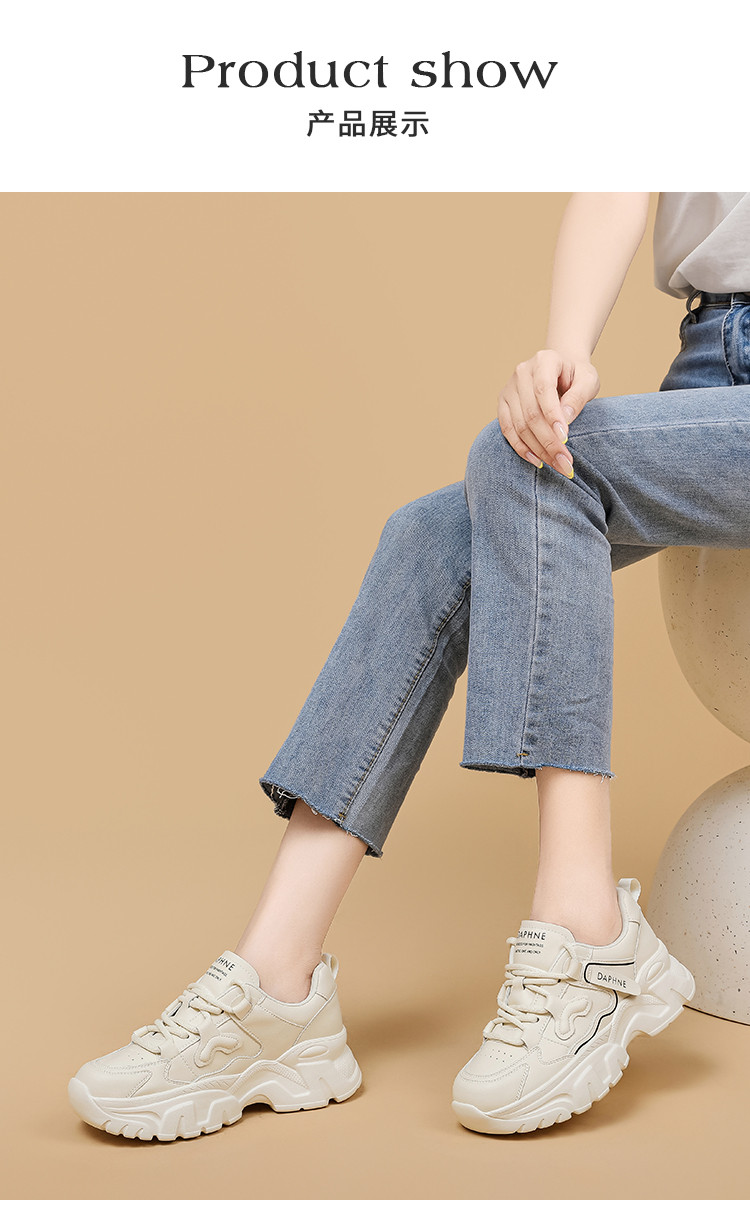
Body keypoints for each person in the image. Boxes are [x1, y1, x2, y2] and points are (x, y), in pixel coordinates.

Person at [68, 193, 750, 1140]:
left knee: (533, 466)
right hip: (709, 359)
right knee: (432, 538)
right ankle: (277, 986)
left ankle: (586, 927)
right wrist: (564, 352)